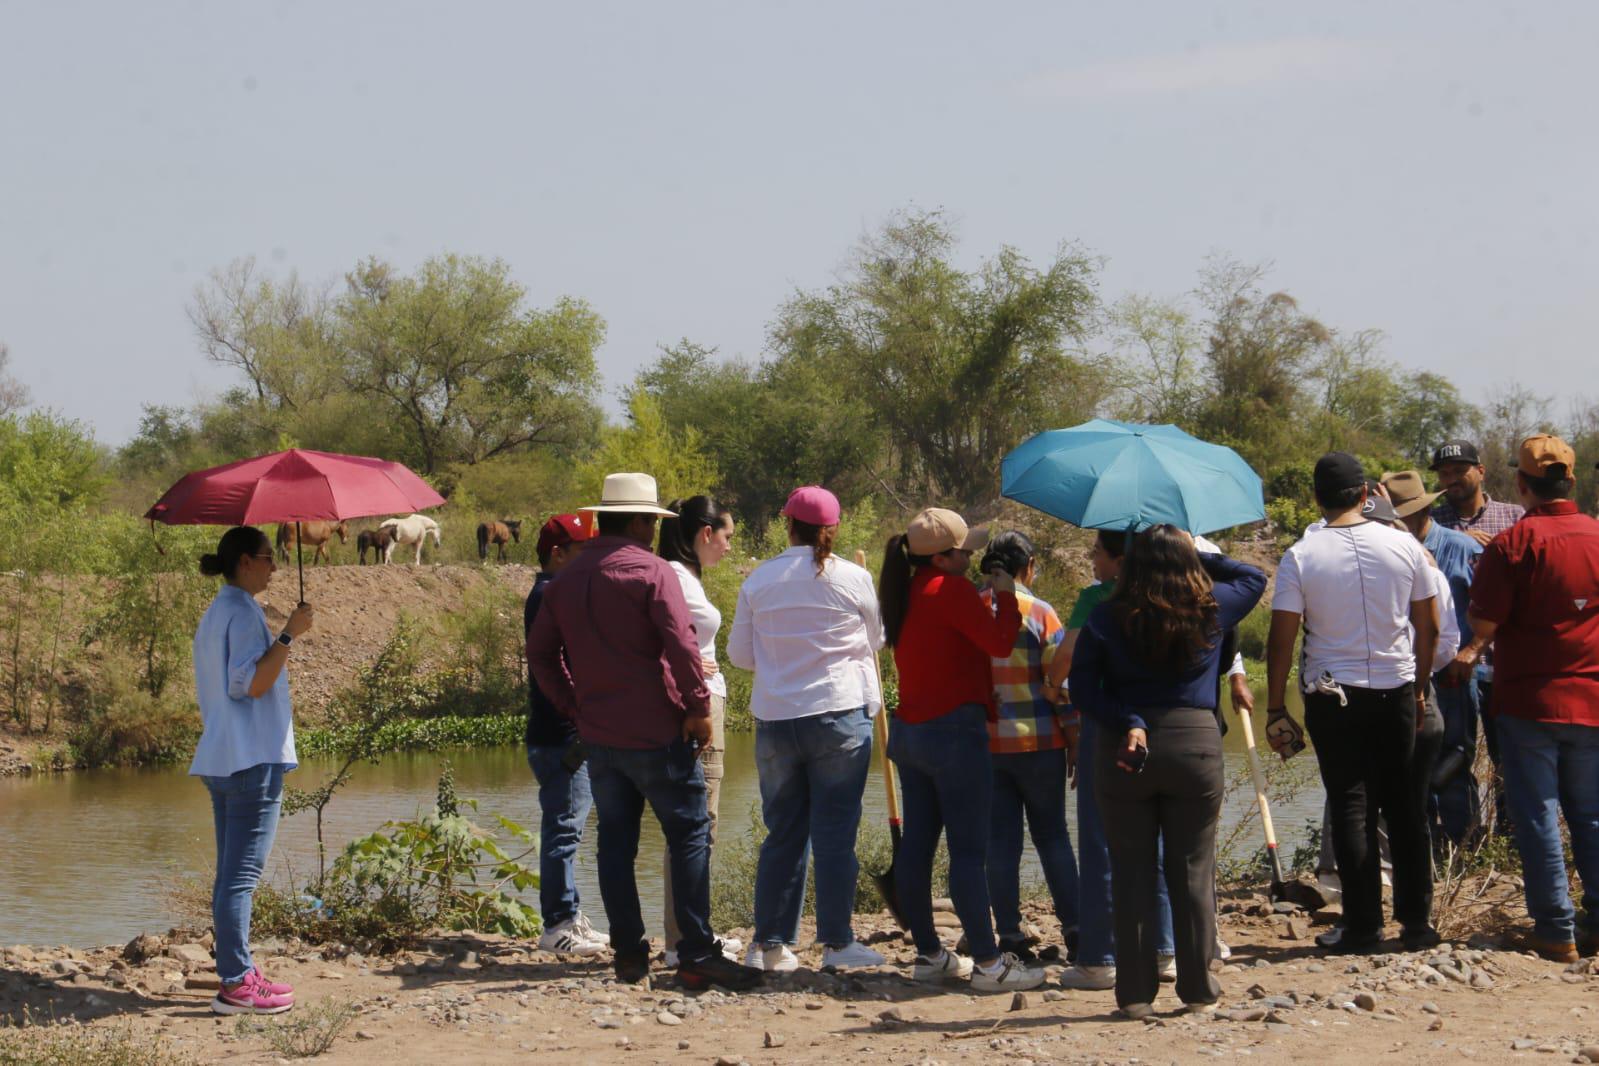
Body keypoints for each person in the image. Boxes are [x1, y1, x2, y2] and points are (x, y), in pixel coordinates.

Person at [528, 473, 761, 991]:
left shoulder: (565, 581)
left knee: (615, 843)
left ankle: (629, 955)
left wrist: (574, 705)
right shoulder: (652, 572)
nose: (655, 531)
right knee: (691, 832)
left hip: (601, 737)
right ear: (638, 522)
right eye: (652, 522)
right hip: (658, 732)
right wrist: (699, 708)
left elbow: (541, 654)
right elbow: (681, 646)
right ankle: (697, 950)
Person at [1069, 526, 1265, 1018]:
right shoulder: (1213, 607)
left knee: (1130, 869)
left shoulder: (1106, 615)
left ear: (1131, 564)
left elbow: (1083, 690)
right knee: (1192, 869)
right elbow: (1254, 576)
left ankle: (1135, 995)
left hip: (1126, 747)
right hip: (1195, 744)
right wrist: (1197, 557)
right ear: (1189, 561)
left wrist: (1128, 720)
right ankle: (1198, 991)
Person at [1265, 453, 1439, 955]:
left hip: (1332, 695)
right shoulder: (1403, 544)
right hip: (1396, 689)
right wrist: (1421, 685)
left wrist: (1276, 705)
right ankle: (1416, 924)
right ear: (1366, 494)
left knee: (1351, 804)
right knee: (1403, 806)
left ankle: (1363, 927)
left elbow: (1282, 638)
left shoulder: (1301, 554)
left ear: (1316, 497)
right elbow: (1426, 625)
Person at [880, 507, 1044, 993]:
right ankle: (990, 965)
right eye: (966, 550)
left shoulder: (907, 590)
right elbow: (998, 642)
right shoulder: (950, 590)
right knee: (969, 853)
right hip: (955, 736)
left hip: (912, 733)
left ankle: (929, 954)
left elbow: (946, 656)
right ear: (946, 556)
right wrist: (1007, 593)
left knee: (917, 846)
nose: (973, 556)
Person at [1452, 435, 1599, 963]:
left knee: (1537, 814)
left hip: (1529, 701)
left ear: (1521, 484)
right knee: (1591, 815)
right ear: (1572, 481)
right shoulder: (1597, 536)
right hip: (1592, 700)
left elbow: (1484, 622)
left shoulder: (1514, 544)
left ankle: (1556, 932)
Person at [727, 486, 886, 972]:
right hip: (838, 714)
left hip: (776, 718)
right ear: (832, 531)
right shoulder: (854, 578)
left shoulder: (759, 580)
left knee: (783, 832)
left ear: (787, 525)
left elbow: (739, 656)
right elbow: (878, 639)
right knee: (836, 831)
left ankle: (770, 945)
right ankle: (837, 944)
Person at [1047, 530, 1178, 991]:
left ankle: (1100, 958)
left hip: (1105, 726)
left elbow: (1066, 658)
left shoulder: (1097, 600)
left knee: (1100, 842)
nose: (1093, 561)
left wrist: (1050, 684)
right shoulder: (1168, 596)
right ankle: (1164, 949)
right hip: (1161, 726)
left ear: (1119, 560)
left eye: (1098, 554)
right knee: (1158, 839)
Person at [191, 526, 313, 1015]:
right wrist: (289, 634)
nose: (275, 566)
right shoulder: (242, 613)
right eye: (268, 558)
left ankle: (238, 970)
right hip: (250, 758)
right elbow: (251, 685)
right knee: (241, 876)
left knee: (230, 874)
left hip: (223, 755)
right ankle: (236, 983)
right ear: (245, 562)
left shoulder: (217, 610)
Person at [977, 531, 1080, 963]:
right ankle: (1076, 927)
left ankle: (1011, 935)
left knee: (1001, 843)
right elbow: (1061, 681)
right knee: (1053, 835)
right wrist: (1074, 738)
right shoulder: (1040, 613)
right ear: (1029, 566)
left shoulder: (973, 609)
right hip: (1040, 745)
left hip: (988, 747)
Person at [656, 495, 741, 967]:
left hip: (704, 695)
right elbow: (654, 635)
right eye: (727, 537)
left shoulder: (683, 577)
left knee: (697, 823)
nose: (729, 547)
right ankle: (684, 940)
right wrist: (683, 664)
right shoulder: (673, 575)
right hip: (699, 702)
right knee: (697, 822)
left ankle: (688, 934)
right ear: (705, 533)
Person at [1382, 469, 1484, 846]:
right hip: (1404, 678)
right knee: (1410, 766)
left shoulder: (1463, 549)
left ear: (1421, 512)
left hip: (1454, 674)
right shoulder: (1383, 553)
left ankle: (1466, 845)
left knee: (1455, 762)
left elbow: (1488, 613)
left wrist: (1472, 656)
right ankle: (1423, 846)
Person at [1431, 437, 1524, 833]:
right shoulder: (1432, 522)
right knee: (1454, 755)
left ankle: (1510, 838)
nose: (1452, 479)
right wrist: (1458, 541)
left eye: (1459, 471)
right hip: (1453, 665)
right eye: (1445, 473)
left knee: (1510, 756)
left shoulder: (1514, 517)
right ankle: (1465, 839)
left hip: (1505, 661)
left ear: (1480, 472)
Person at [524, 513, 606, 957]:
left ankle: (570, 915)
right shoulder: (551, 595)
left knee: (567, 824)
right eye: (582, 552)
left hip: (559, 732)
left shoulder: (551, 593)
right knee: (564, 828)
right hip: (561, 735)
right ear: (558, 554)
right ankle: (557, 924)